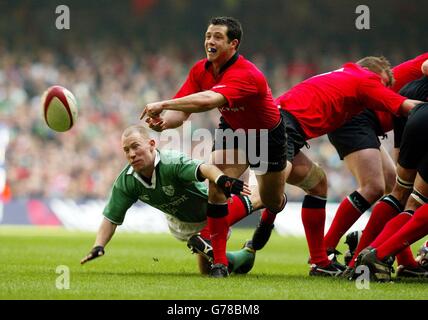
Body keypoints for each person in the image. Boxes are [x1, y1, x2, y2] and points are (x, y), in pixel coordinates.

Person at [141, 17, 289, 278]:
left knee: (272, 200)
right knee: (217, 182)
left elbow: (208, 101)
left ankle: (269, 203)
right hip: (233, 129)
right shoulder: (201, 70)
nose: (210, 41)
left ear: (233, 44)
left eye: (218, 37)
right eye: (208, 35)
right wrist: (164, 123)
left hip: (267, 136)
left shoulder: (247, 74)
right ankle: (219, 263)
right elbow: (183, 110)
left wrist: (163, 104)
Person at [263, 56, 422, 276]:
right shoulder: (366, 81)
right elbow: (405, 102)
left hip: (289, 122)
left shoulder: (352, 79)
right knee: (376, 187)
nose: (386, 88)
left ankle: (335, 257)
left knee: (387, 186)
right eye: (384, 83)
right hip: (317, 122)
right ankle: (356, 257)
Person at [80, 124, 261, 275]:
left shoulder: (172, 162)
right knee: (208, 270)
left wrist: (223, 180)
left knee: (257, 198)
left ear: (152, 144)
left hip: (211, 214)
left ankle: (245, 252)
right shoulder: (127, 181)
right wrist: (98, 246)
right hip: (181, 224)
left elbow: (205, 168)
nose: (131, 154)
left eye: (135, 146)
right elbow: (111, 219)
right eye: (126, 150)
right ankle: (238, 254)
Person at [324, 53, 428, 265]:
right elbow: (426, 66)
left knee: (397, 189)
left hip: (404, 115)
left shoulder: (411, 86)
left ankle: (391, 259)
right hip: (360, 115)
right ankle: (325, 254)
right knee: (376, 187)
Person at [344, 72, 428, 279]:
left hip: (414, 108)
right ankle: (379, 256)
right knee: (416, 202)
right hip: (409, 105)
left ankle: (358, 264)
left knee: (402, 194)